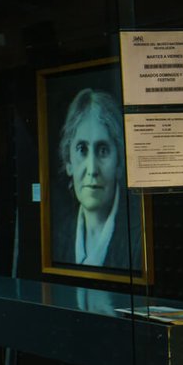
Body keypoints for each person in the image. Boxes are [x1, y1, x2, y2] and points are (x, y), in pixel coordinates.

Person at [51, 88, 142, 270]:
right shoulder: (56, 237)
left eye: (103, 151)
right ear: (69, 162)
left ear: (119, 163)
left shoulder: (140, 239)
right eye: (82, 150)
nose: (92, 170)